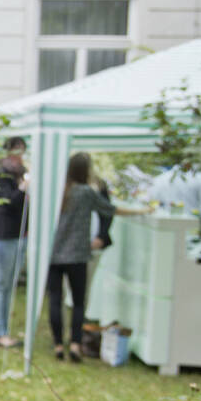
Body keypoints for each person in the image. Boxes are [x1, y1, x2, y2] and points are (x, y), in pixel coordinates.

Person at [48, 152, 151, 363]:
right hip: (77, 254)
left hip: (54, 254)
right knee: (78, 302)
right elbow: (110, 209)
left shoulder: (59, 190)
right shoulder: (86, 192)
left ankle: (58, 344)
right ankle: (75, 345)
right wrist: (141, 211)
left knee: (55, 300)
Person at [0, 136, 28, 348]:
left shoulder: (21, 173)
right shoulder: (1, 174)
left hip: (20, 235)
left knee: (9, 284)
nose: (20, 156)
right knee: (0, 282)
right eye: (17, 151)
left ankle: (4, 328)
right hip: (4, 235)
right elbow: (6, 204)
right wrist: (22, 189)